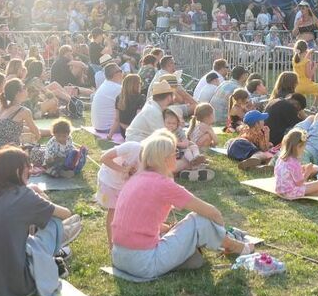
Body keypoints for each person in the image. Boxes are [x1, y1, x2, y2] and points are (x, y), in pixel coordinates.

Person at [110, 130, 253, 280]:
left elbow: (138, 221)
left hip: (119, 258)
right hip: (143, 264)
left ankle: (217, 244)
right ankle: (236, 246)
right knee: (200, 220)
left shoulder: (135, 179)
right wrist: (223, 233)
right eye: (175, 153)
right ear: (165, 159)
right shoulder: (163, 184)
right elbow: (212, 212)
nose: (178, 156)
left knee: (195, 260)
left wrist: (168, 228)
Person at [0, 146, 81, 296]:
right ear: (18, 171)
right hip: (16, 286)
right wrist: (42, 197)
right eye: (27, 169)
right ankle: (59, 237)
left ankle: (53, 241)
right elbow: (66, 213)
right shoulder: (25, 196)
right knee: (53, 220)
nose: (29, 172)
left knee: (27, 222)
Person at [97, 139, 142, 244]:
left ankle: (126, 238)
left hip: (125, 185)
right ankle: (111, 244)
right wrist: (124, 170)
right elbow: (104, 158)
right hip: (109, 181)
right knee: (113, 211)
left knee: (128, 211)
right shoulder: (133, 147)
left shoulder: (153, 163)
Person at [0, 78, 46, 149]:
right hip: (16, 151)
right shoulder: (24, 111)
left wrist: (1, 145)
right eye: (24, 88)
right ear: (18, 93)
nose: (27, 90)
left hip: (1, 150)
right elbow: (37, 134)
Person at [273, 128, 318, 199]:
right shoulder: (294, 162)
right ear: (298, 146)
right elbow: (300, 183)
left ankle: (314, 192)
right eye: (303, 147)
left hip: (280, 190)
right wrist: (308, 172)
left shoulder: (281, 158)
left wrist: (302, 169)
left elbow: (281, 173)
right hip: (290, 192)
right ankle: (313, 191)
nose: (304, 150)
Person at [125, 79, 176, 144]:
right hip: (138, 144)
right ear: (169, 97)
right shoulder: (154, 111)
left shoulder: (152, 105)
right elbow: (164, 136)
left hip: (135, 141)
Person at [90, 62, 124, 140]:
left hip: (98, 126)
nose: (122, 73)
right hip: (108, 128)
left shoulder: (106, 84)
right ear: (116, 74)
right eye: (121, 71)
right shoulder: (117, 88)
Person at [291, 40, 318, 104]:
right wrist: (315, 66)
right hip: (305, 85)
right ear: (306, 49)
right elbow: (309, 75)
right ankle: (314, 106)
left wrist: (308, 53)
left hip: (296, 85)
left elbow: (303, 61)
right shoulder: (306, 61)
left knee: (300, 102)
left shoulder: (294, 59)